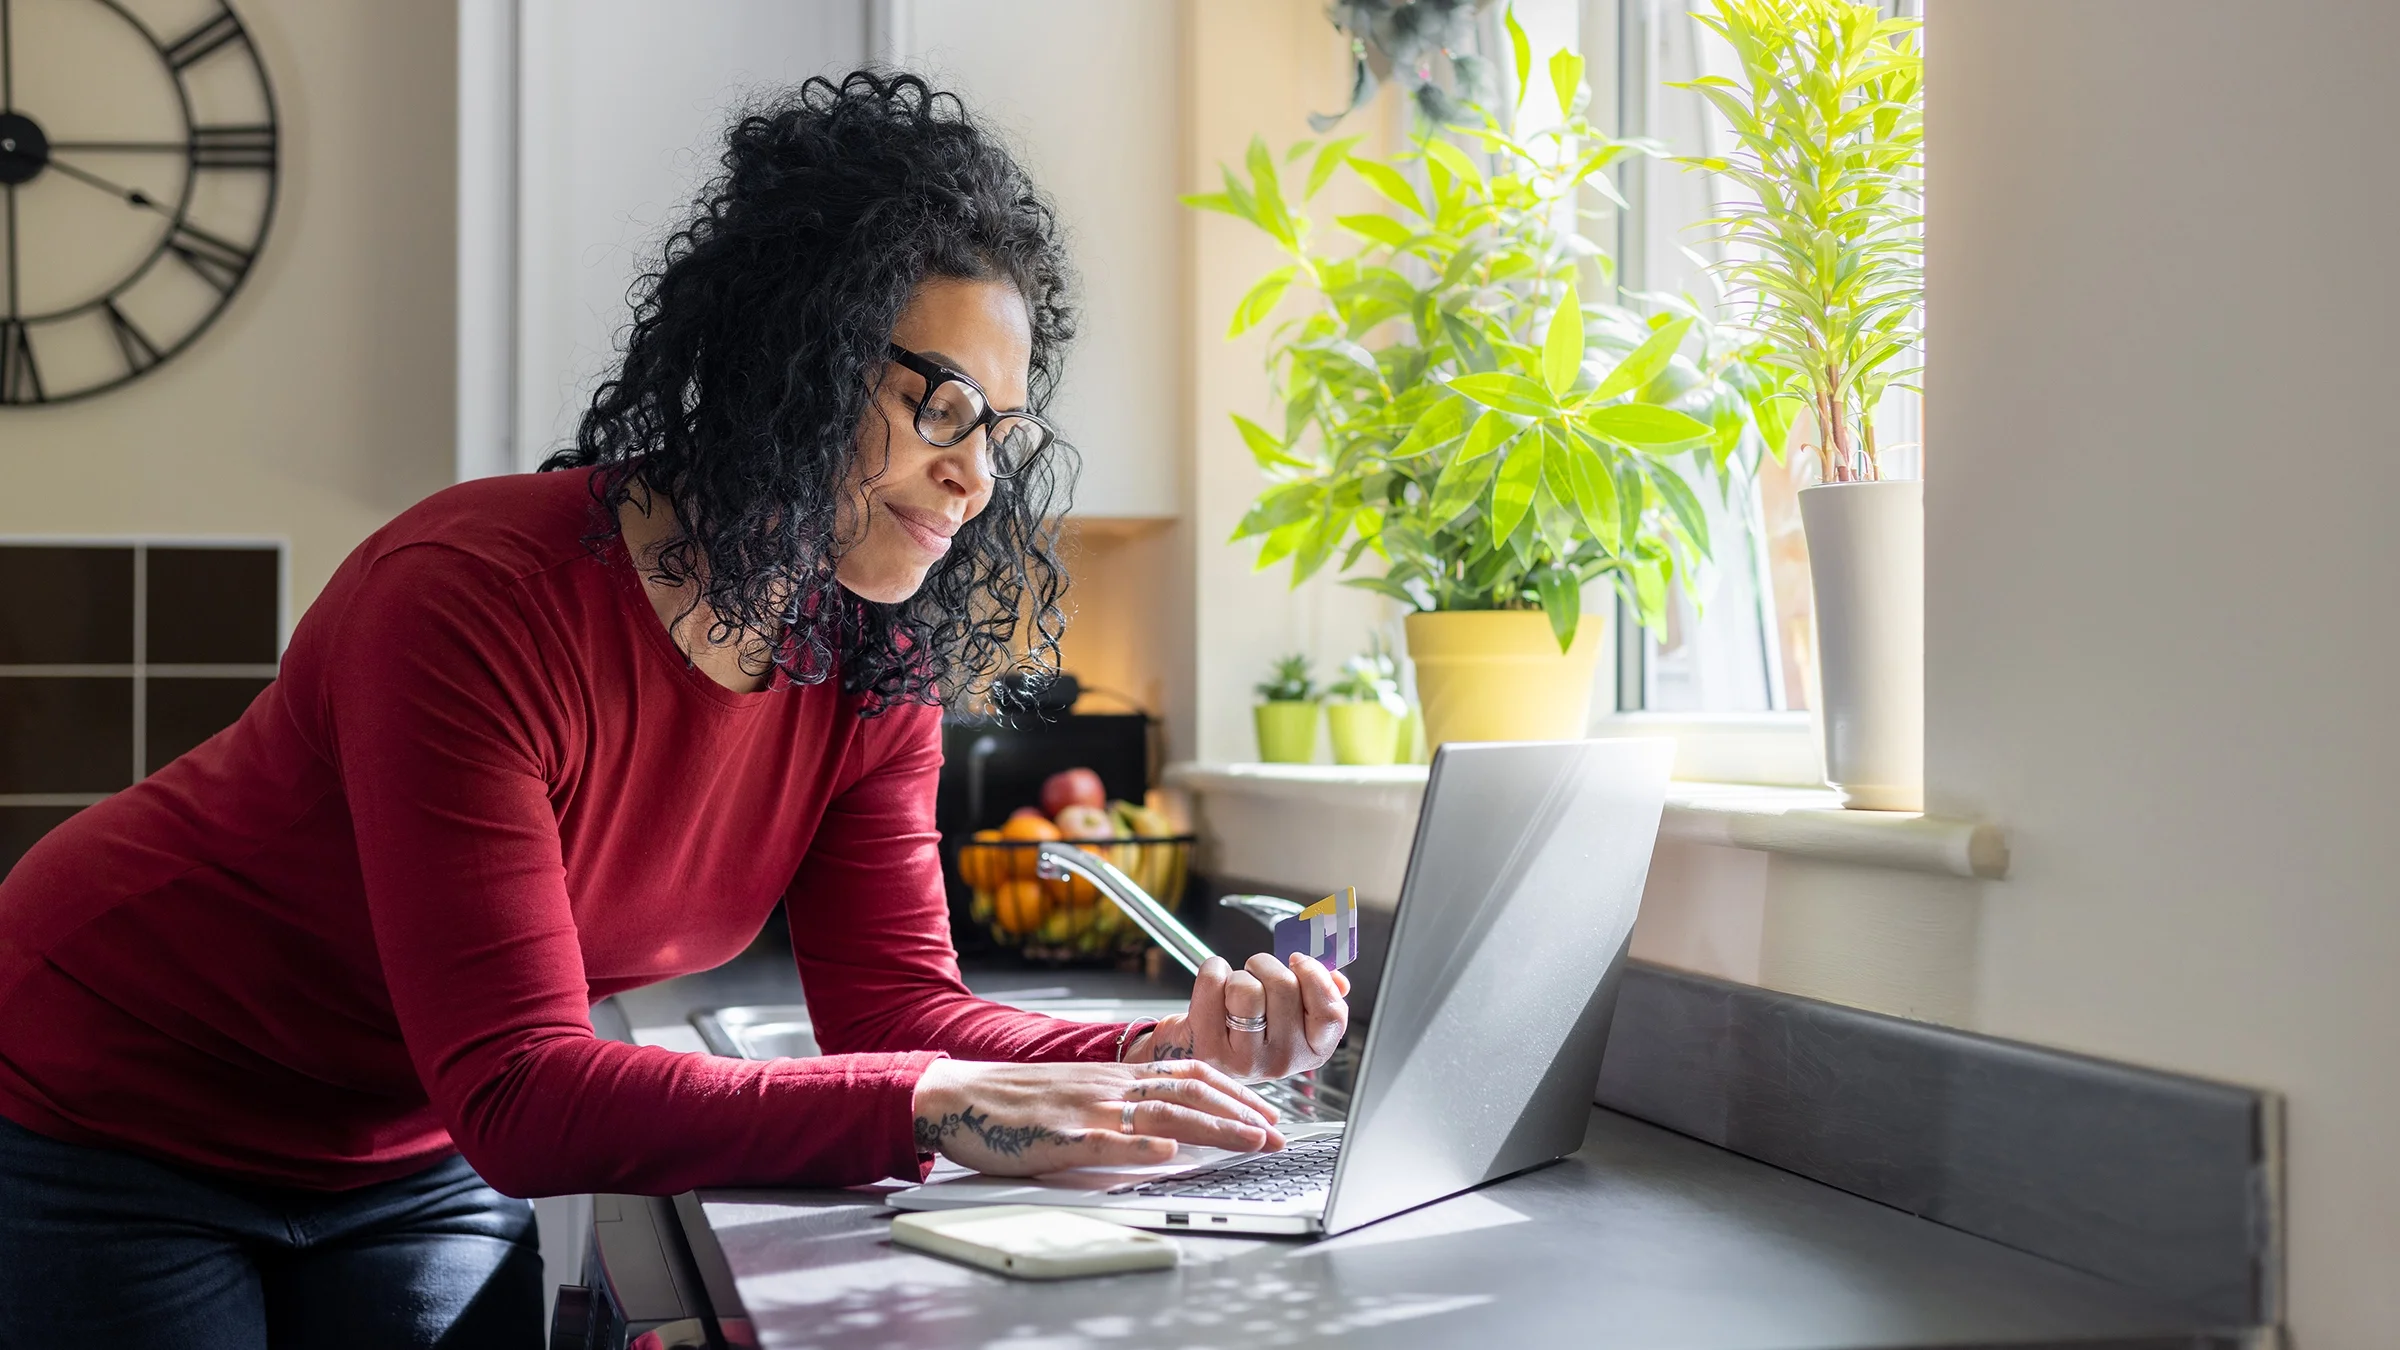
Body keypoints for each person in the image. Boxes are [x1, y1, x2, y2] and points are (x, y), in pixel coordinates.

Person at [0, 72, 1348, 1349]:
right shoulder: (470, 595)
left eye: (1000, 429)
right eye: (942, 404)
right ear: (794, 356)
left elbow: (899, 1011)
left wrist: (1166, 1052)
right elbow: (528, 1085)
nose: (975, 477)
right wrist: (944, 1102)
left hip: (408, 1147)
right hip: (110, 1100)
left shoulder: (866, 658)